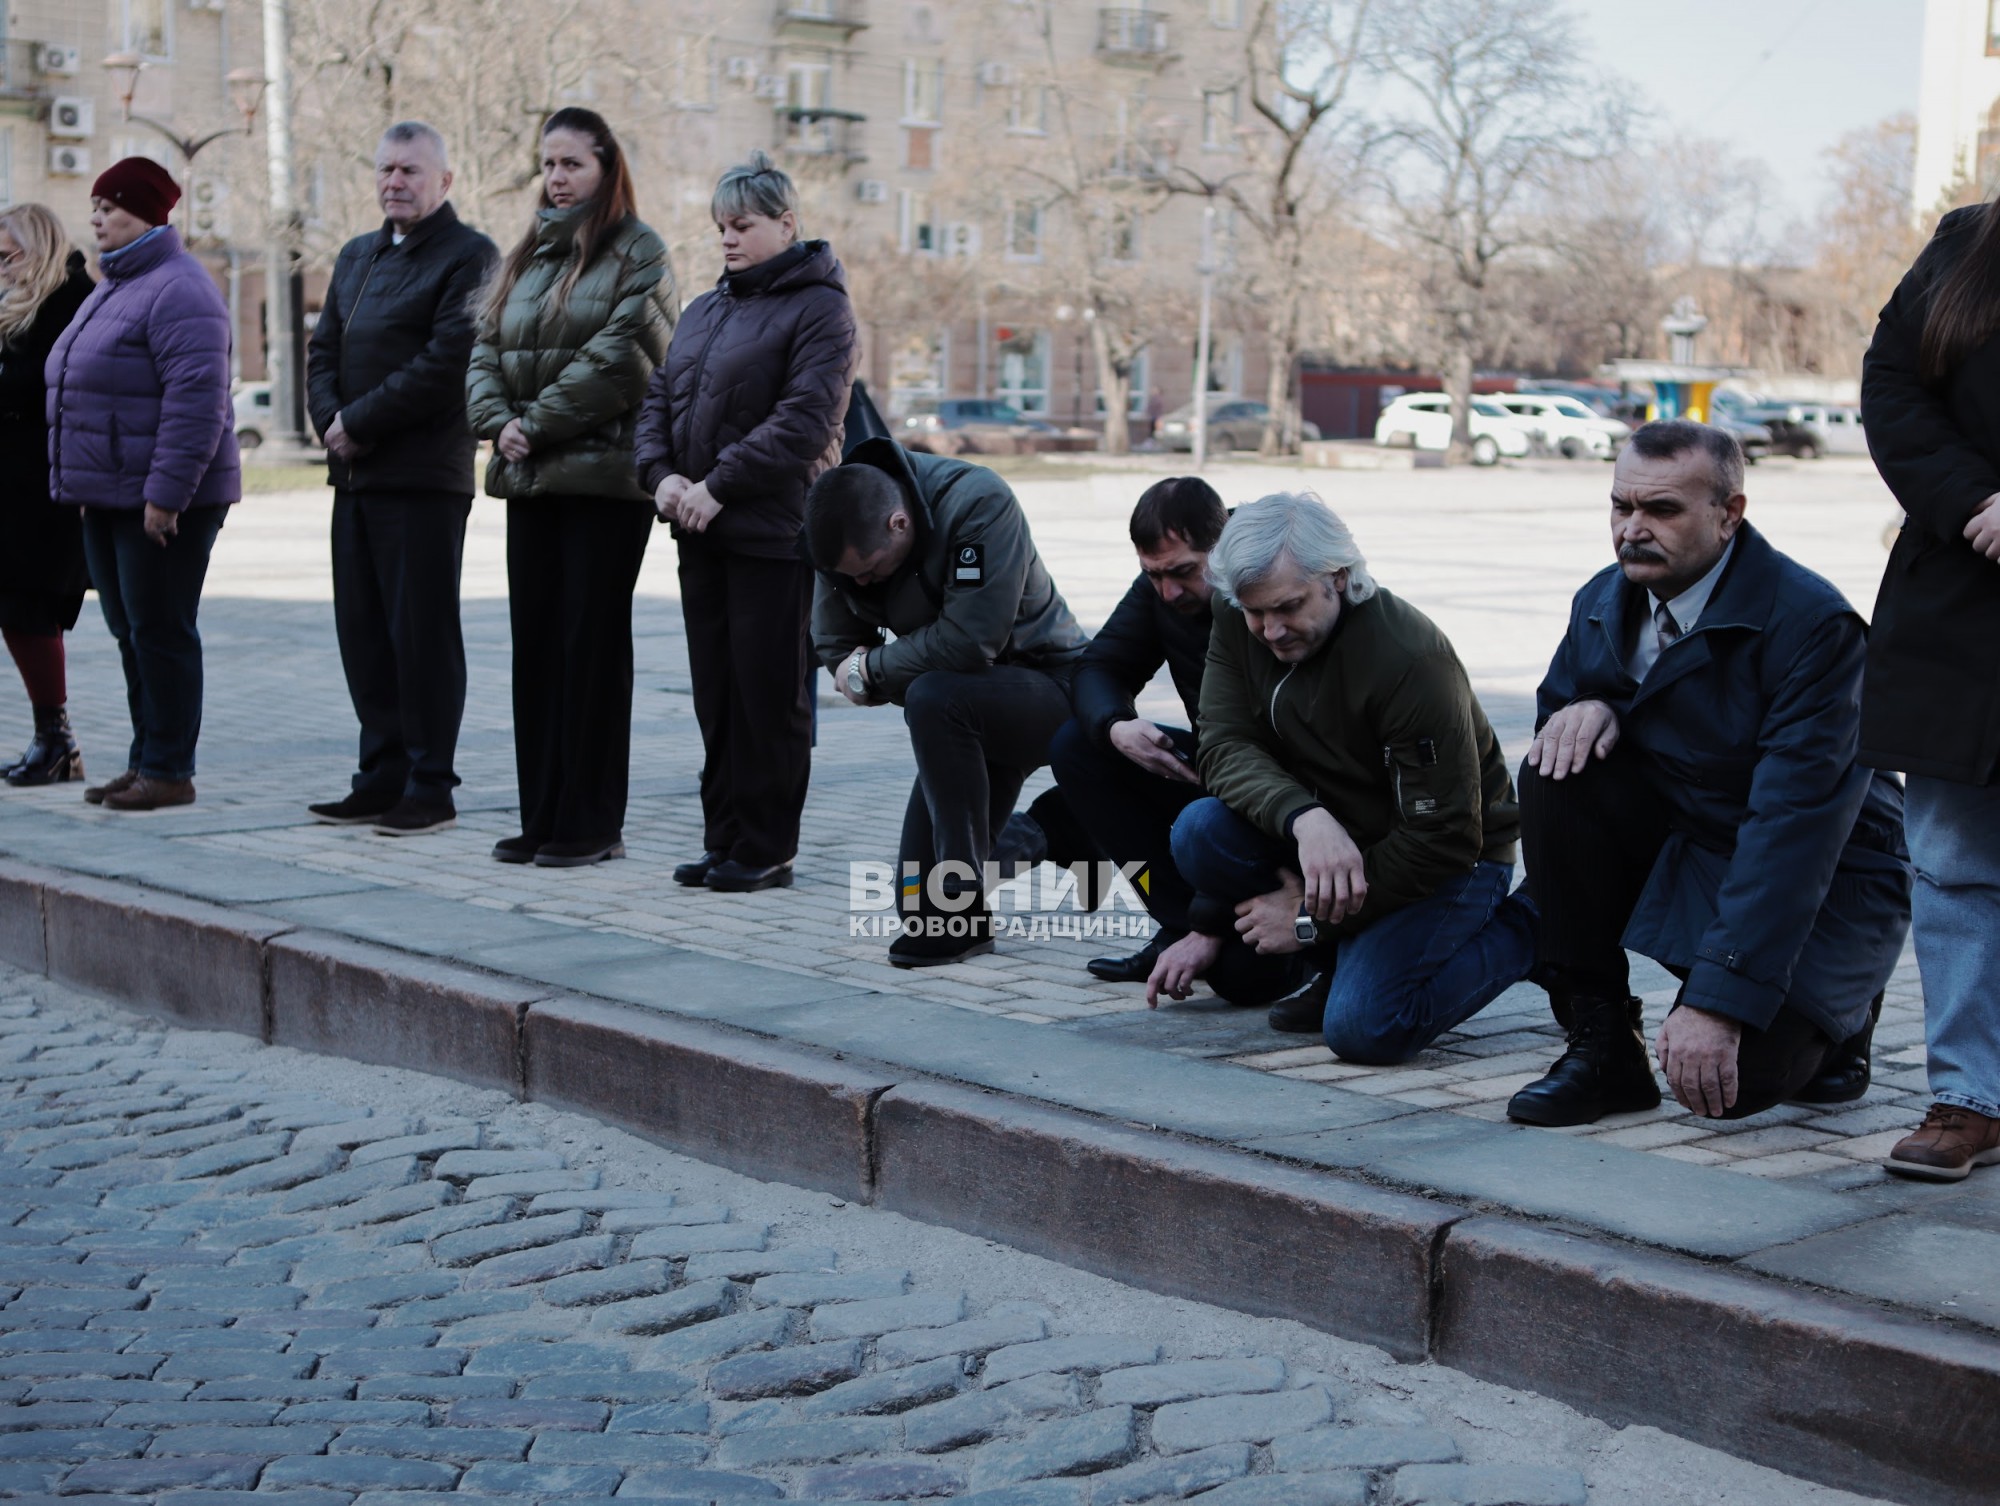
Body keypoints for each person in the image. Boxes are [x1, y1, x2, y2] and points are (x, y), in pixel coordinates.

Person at [1508, 420, 1910, 1128]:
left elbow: (1793, 830)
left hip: (1827, 872)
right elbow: (1562, 729)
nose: (1633, 529)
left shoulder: (1813, 627)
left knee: (1736, 1083)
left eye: (1662, 509)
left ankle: (1846, 1014)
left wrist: (1716, 1004)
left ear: (1729, 514)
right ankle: (1603, 1046)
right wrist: (1594, 706)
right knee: (1557, 769)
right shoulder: (1601, 601)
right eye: (1621, 506)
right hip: (1695, 836)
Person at [1149, 493, 1536, 1058]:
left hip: (1450, 858)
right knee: (1200, 831)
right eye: (1256, 612)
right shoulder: (1236, 615)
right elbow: (1224, 744)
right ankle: (1341, 965)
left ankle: (1532, 928)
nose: (1271, 631)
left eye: (1289, 607)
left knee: (1366, 1030)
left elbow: (1445, 838)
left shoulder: (1409, 659)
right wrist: (1305, 819)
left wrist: (1307, 919)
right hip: (1333, 835)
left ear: (1338, 577)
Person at [634, 150, 857, 893]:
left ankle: (767, 848)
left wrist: (719, 485)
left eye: (743, 225)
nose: (728, 238)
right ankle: (723, 838)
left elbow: (806, 420)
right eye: (720, 226)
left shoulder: (822, 308)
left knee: (768, 696)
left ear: (787, 224)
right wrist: (662, 476)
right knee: (718, 695)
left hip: (772, 534)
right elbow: (658, 400)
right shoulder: (705, 309)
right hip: (700, 530)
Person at [466, 108, 676, 867]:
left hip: (604, 486)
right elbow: (483, 347)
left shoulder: (640, 251)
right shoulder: (526, 254)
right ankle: (543, 816)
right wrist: (499, 421)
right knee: (538, 651)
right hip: (532, 481)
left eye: (571, 164)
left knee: (590, 651)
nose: (556, 178)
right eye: (548, 164)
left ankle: (592, 823)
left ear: (606, 168)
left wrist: (536, 423)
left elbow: (626, 357)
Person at [807, 438, 1087, 967]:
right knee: (920, 908)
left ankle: (963, 903)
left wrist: (871, 672)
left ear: (899, 524)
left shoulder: (977, 502)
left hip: (1052, 686)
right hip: (959, 713)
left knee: (932, 692)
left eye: (869, 570)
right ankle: (1048, 833)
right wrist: (862, 671)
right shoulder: (837, 524)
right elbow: (836, 647)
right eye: (849, 577)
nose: (860, 583)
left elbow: (969, 640)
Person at [1859, 200, 2000, 1178]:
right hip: (1960, 607)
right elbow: (1892, 386)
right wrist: (1973, 500)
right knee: (1952, 864)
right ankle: (1970, 1098)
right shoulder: (1967, 243)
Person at [306, 121, 498, 836]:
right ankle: (380, 776)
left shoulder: (469, 256)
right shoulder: (357, 254)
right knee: (363, 633)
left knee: (421, 637)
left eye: (410, 171)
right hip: (355, 478)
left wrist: (358, 422)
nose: (394, 181)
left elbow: (447, 363)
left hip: (421, 479)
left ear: (443, 180)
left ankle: (430, 784)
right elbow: (322, 350)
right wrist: (331, 420)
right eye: (386, 169)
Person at [1047, 476, 1289, 1001]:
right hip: (1217, 773)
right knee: (1080, 745)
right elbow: (1098, 667)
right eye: (1153, 574)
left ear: (1222, 546)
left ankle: (1235, 927)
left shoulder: (1274, 583)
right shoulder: (1163, 592)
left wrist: (1215, 920)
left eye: (1182, 572)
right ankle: (1178, 925)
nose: (1168, 592)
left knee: (1242, 980)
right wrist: (1117, 725)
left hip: (1289, 795)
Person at [46, 158, 239, 811]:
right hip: (110, 494)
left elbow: (197, 404)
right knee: (132, 632)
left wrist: (166, 496)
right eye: (95, 207)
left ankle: (170, 770)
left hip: (163, 498)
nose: (98, 219)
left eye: (111, 207)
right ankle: (144, 761)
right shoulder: (119, 283)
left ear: (149, 212)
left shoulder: (180, 288)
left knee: (161, 631)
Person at [0, 205, 94, 787]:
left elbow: (51, 383)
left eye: (6, 254)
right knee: (18, 608)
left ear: (36, 248)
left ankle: (58, 742)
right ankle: (51, 740)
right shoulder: (20, 300)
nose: (1, 266)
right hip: (16, 484)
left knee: (30, 607)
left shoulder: (71, 300)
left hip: (45, 486)